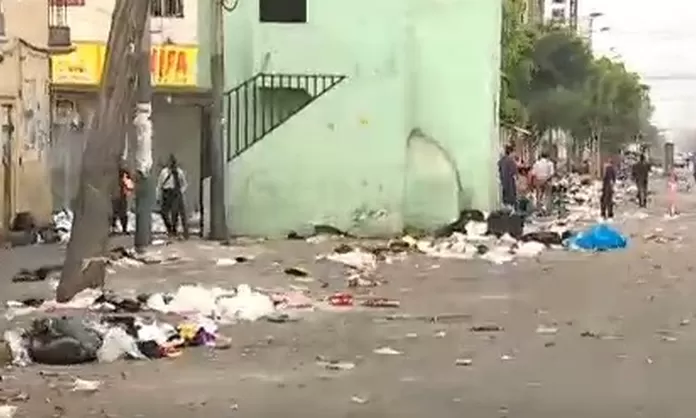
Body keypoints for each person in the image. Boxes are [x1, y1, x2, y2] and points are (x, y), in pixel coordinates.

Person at [156, 154, 189, 239]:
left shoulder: (179, 172)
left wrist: (180, 191)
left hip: (175, 193)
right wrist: (158, 196)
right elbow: (159, 185)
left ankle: (174, 229)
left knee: (175, 212)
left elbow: (184, 183)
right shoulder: (164, 172)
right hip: (166, 192)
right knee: (164, 212)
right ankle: (169, 227)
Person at [111, 166, 134, 234]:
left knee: (119, 213)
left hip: (119, 196)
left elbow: (130, 186)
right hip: (118, 196)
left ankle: (117, 228)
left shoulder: (120, 176)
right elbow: (130, 186)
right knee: (119, 213)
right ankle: (120, 228)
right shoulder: (119, 176)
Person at [498, 145, 518, 209]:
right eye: (514, 152)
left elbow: (499, 170)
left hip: (503, 182)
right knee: (511, 198)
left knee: (505, 198)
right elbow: (514, 173)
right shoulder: (511, 161)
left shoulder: (501, 160)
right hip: (510, 182)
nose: (514, 154)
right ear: (511, 152)